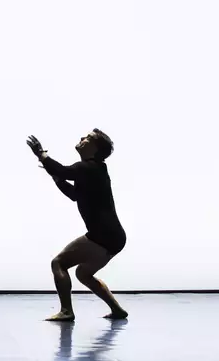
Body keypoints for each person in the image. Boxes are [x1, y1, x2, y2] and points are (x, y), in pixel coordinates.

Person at [26, 130, 129, 321]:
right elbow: (74, 194)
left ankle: (66, 311)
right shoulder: (93, 171)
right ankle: (117, 310)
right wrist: (56, 177)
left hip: (103, 235)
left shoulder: (90, 168)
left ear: (95, 148)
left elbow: (63, 171)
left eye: (88, 138)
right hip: (114, 237)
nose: (82, 139)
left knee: (58, 263)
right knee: (83, 273)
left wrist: (41, 154)